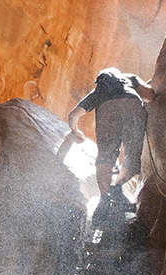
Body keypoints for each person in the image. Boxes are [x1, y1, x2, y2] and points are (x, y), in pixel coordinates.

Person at [64, 66, 155, 202]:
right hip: (132, 103)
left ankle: (104, 198)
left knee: (106, 155)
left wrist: (75, 131)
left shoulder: (100, 91)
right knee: (133, 154)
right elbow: (150, 95)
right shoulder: (129, 78)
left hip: (106, 107)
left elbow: (73, 115)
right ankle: (117, 187)